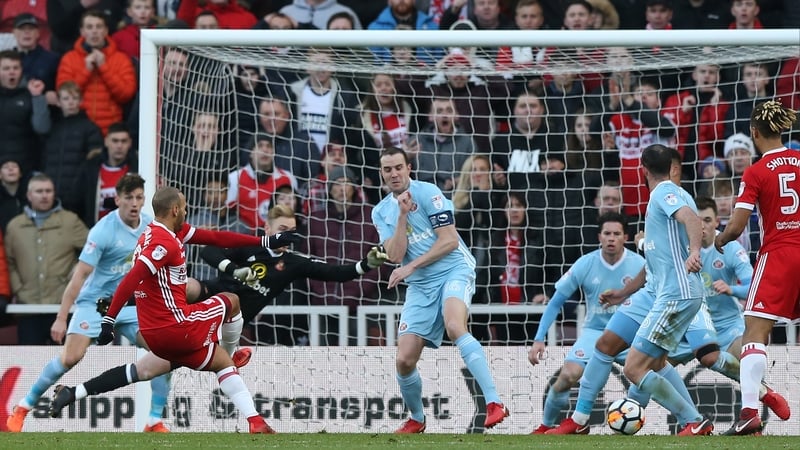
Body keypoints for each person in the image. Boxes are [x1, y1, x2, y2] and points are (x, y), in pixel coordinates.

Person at [48, 186, 303, 434]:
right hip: (178, 327)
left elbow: (215, 238)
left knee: (150, 370)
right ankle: (232, 353)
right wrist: (108, 319)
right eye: (184, 207)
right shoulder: (164, 243)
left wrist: (265, 240)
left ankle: (74, 392)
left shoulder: (158, 232)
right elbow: (132, 278)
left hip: (154, 336)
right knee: (232, 300)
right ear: (175, 210)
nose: (187, 211)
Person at [5, 174, 173, 433]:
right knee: (71, 356)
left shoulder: (151, 227)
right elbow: (79, 276)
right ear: (117, 199)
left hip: (129, 306)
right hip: (96, 304)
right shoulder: (103, 231)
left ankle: (154, 420)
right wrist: (62, 317)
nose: (134, 203)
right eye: (128, 198)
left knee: (164, 352)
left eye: (139, 198)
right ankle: (23, 408)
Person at [372, 146, 508, 433]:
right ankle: (417, 419)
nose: (394, 173)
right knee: (404, 359)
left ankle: (494, 402)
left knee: (454, 324)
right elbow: (395, 255)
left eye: (398, 167)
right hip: (421, 285)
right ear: (382, 173)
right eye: (388, 169)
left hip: (453, 270)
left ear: (409, 168)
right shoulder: (381, 211)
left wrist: (410, 267)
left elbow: (448, 241)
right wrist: (401, 216)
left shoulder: (430, 192)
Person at [715, 99, 799, 435]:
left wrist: (718, 241)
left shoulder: (756, 171)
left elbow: (736, 228)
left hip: (779, 254)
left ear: (753, 133)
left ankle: (749, 411)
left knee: (755, 333)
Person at [619, 143, 712, 435]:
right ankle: (695, 421)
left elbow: (689, 218)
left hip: (677, 294)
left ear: (642, 169)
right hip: (682, 292)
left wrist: (694, 251)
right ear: (671, 165)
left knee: (633, 368)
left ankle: (692, 420)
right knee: (657, 362)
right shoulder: (679, 192)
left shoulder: (663, 192)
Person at [528, 212, 645, 433]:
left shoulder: (640, 265)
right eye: (607, 233)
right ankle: (546, 425)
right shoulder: (586, 263)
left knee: (645, 378)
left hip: (629, 333)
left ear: (626, 237)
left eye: (616, 234)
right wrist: (539, 338)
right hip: (596, 331)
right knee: (567, 376)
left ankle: (632, 422)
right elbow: (555, 303)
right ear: (599, 236)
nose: (611, 238)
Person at [5, 173, 89, 345]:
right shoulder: (14, 226)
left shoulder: (70, 221)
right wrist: (19, 289)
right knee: (30, 364)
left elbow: (95, 251)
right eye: (39, 191)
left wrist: (77, 274)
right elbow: (9, 262)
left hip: (63, 307)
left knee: (68, 364)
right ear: (29, 195)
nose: (44, 195)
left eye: (48, 191)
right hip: (28, 307)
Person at [56, 9, 137, 135]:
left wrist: (104, 68)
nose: (94, 31)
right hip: (77, 129)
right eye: (89, 27)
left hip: (110, 131)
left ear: (106, 31)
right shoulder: (69, 59)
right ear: (82, 31)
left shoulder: (121, 59)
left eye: (99, 27)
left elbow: (126, 95)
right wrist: (86, 71)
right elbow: (63, 94)